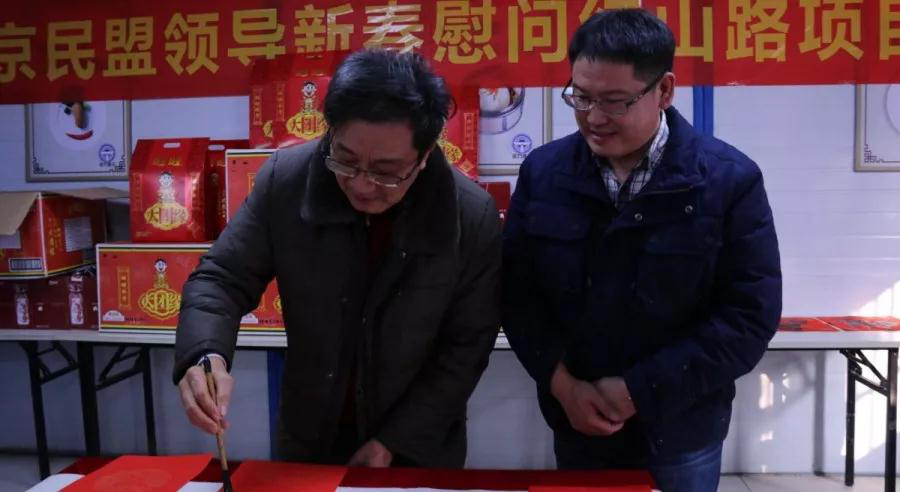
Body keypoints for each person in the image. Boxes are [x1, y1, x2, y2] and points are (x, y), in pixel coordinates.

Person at [173, 49, 502, 468]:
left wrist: (393, 442)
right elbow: (221, 277)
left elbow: (467, 345)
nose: (362, 185)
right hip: (309, 441)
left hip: (418, 449)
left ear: (423, 157)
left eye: (386, 171)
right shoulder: (286, 181)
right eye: (345, 160)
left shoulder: (468, 215)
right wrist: (205, 354)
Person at [502, 9, 781, 492]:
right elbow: (517, 294)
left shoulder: (727, 180)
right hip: (578, 421)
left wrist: (639, 390)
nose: (594, 117)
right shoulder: (544, 173)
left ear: (664, 91)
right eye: (581, 97)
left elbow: (748, 316)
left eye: (614, 102)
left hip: (682, 430)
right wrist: (563, 386)